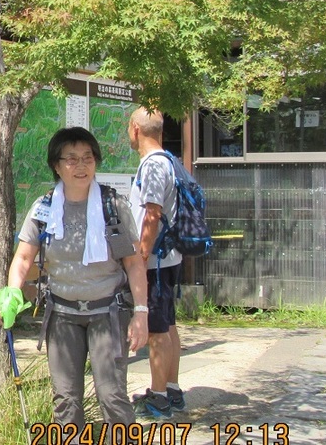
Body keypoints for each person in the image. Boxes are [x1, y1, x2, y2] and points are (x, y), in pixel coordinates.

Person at [0, 127, 148, 433]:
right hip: (63, 314)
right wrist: (13, 293)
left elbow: (133, 263)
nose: (81, 166)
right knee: (66, 400)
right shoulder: (44, 208)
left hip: (107, 312)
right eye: (71, 159)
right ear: (57, 165)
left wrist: (141, 314)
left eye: (88, 158)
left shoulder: (112, 208)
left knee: (112, 396)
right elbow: (24, 258)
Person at [128, 108, 185, 418]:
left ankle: (159, 397)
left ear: (135, 129)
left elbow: (151, 213)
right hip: (171, 256)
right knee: (169, 325)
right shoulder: (171, 161)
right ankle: (173, 389)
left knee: (157, 330)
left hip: (155, 263)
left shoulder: (152, 166)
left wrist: (141, 256)